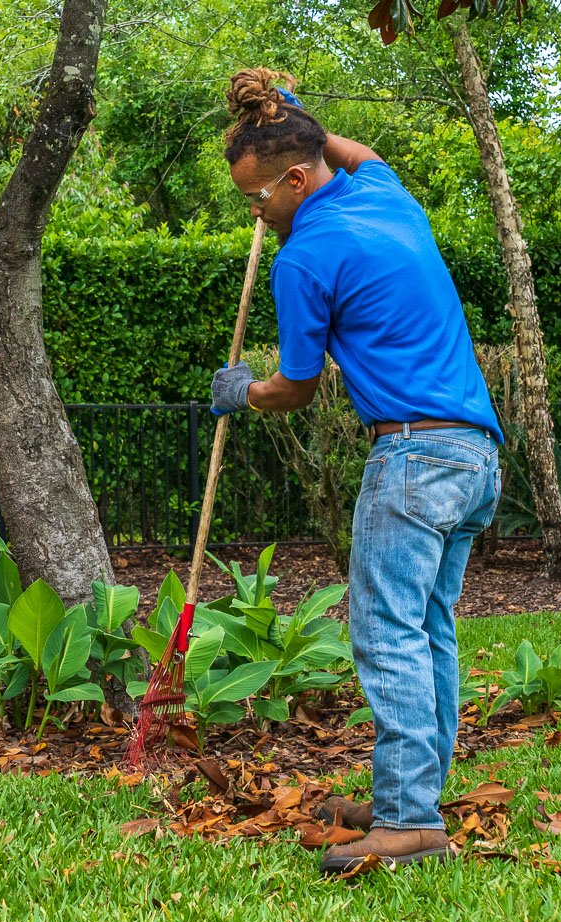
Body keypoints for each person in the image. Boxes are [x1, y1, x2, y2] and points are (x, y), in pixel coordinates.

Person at [209, 68, 504, 874]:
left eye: (258, 198)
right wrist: (300, 120)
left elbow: (297, 390)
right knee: (427, 628)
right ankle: (415, 796)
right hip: (475, 455)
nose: (257, 215)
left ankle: (409, 822)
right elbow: (359, 149)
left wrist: (244, 390)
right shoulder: (382, 196)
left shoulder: (303, 257)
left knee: (385, 636)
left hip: (411, 456)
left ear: (297, 182)